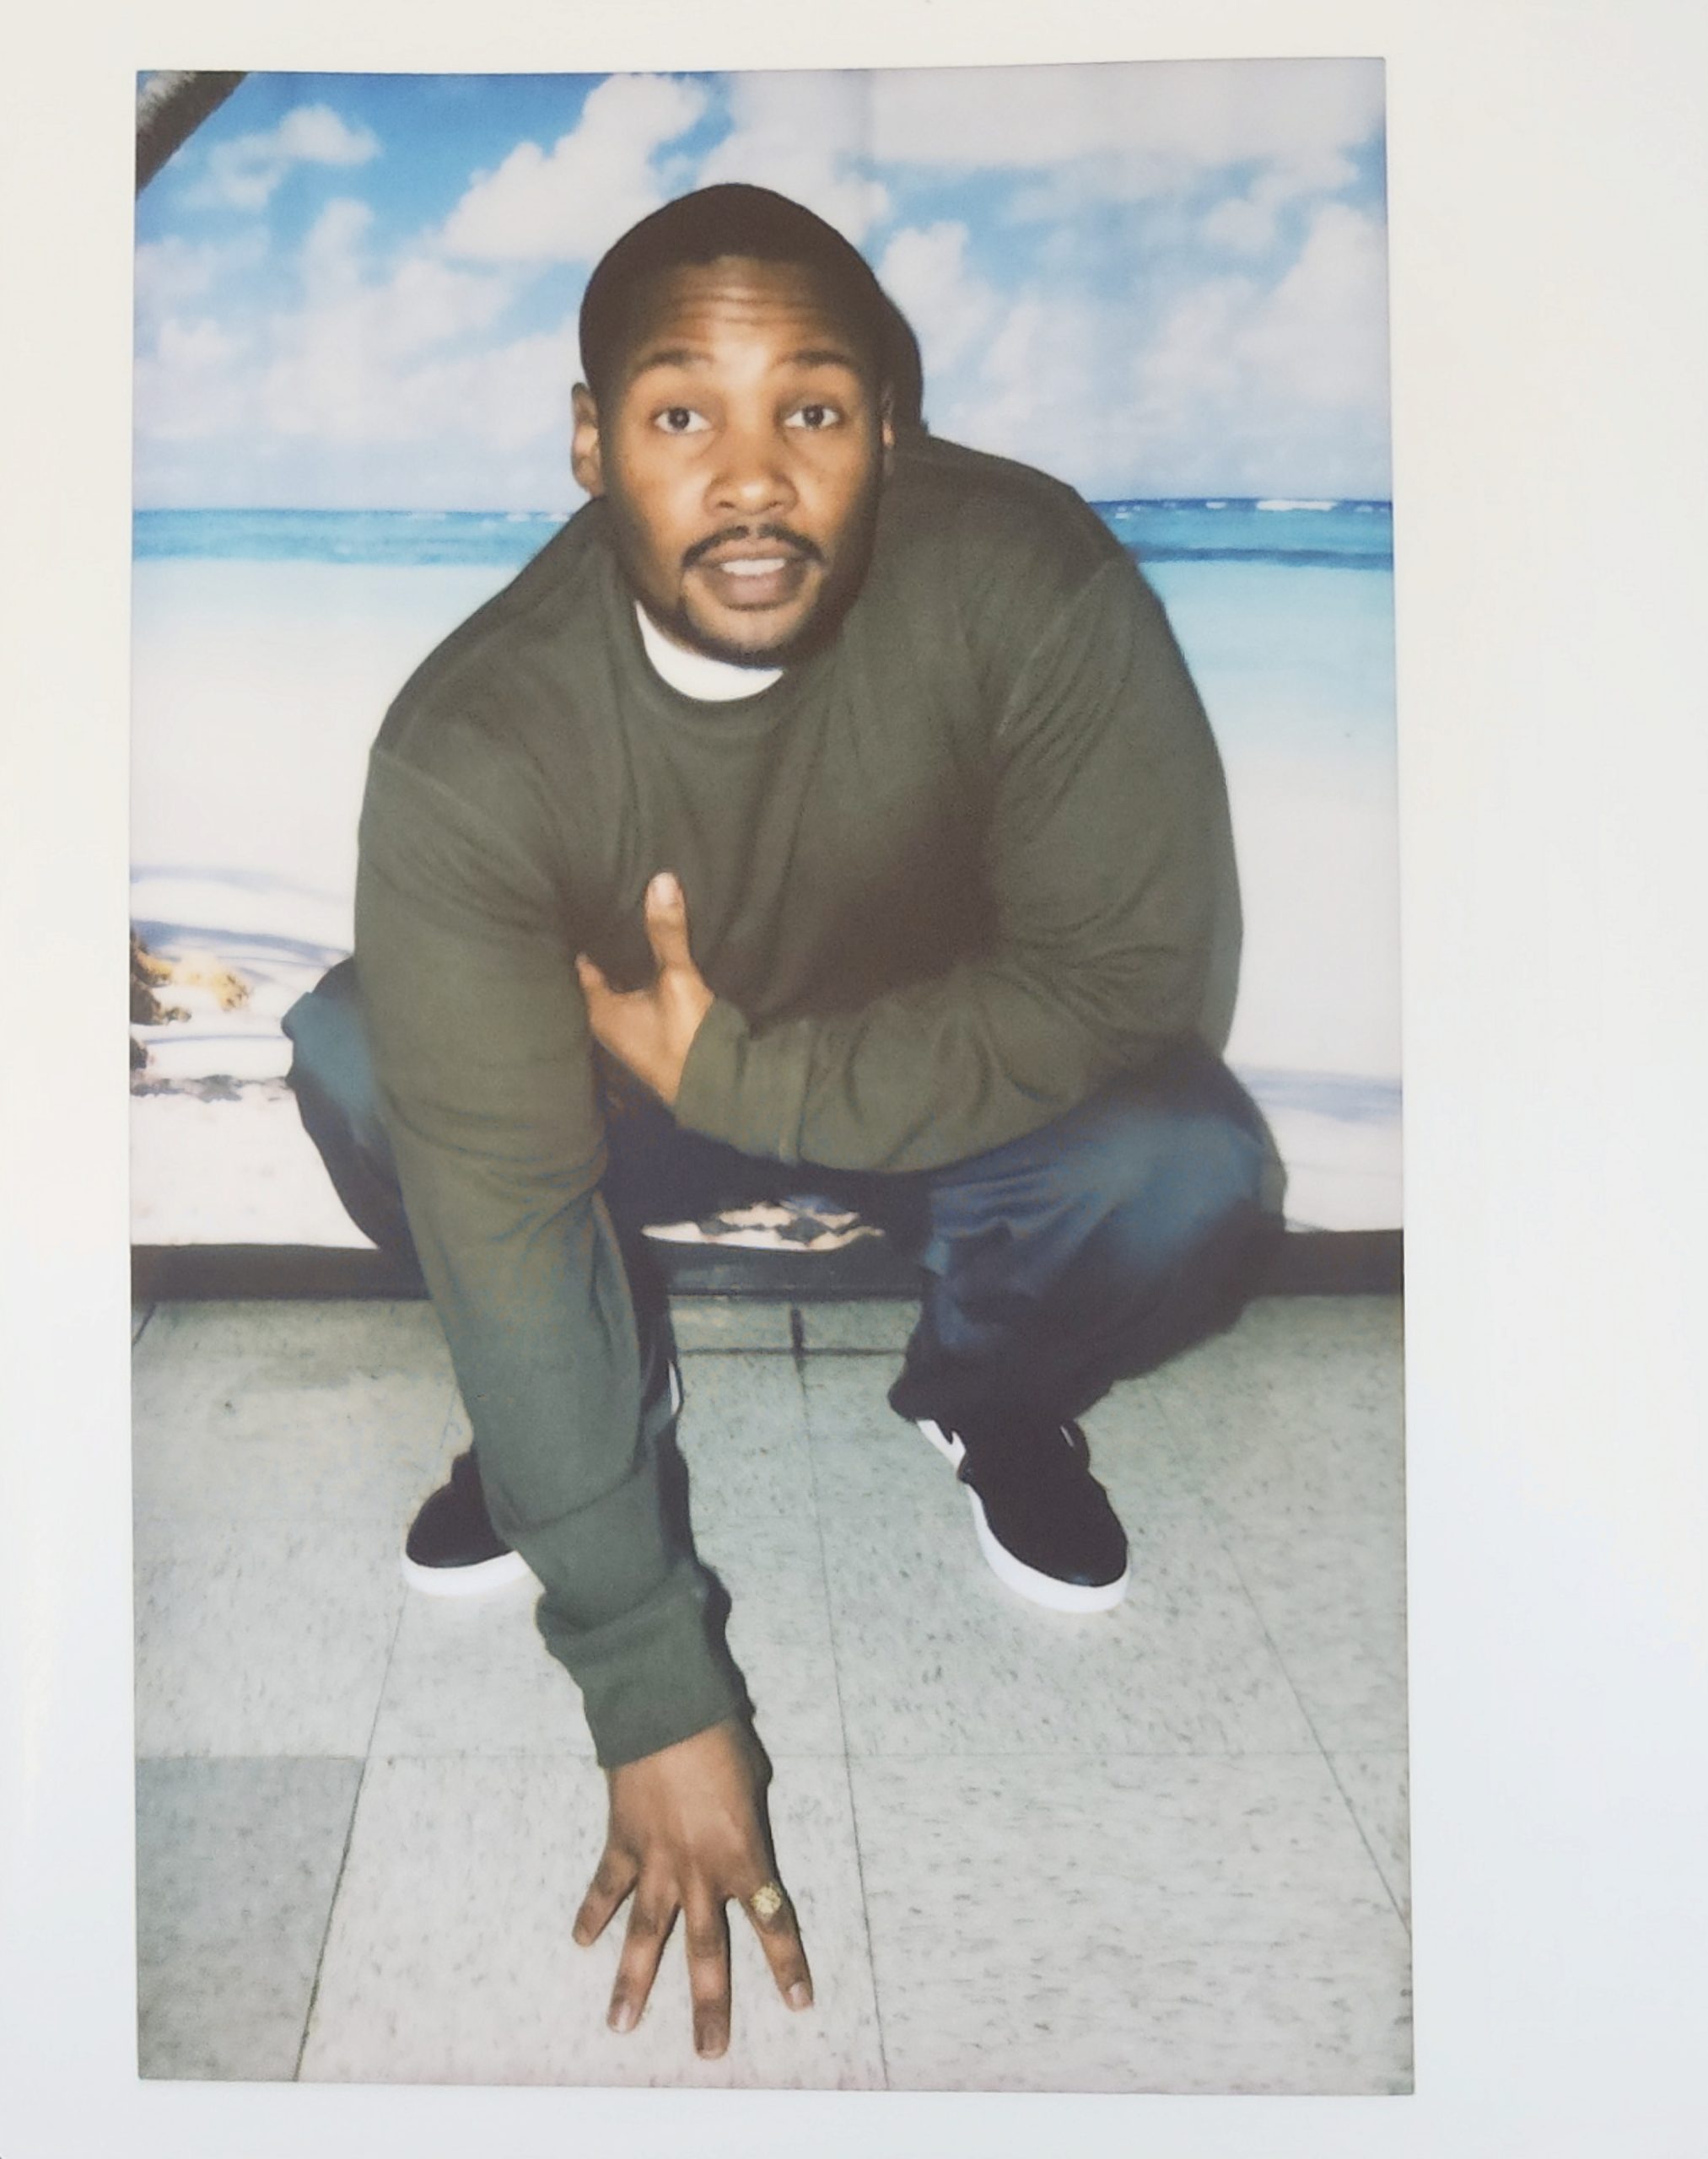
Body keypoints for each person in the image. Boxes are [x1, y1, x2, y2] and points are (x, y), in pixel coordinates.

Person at [282, 182, 1282, 2061]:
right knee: (355, 1053)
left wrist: (744, 1070)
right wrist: (653, 1684)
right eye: (681, 415)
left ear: (885, 427)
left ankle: (982, 1387)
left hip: (943, 1123)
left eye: (807, 411)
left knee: (1192, 1164)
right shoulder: (473, 741)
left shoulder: (1029, 578)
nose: (752, 478)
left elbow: (1126, 983)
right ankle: (580, 1404)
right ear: (588, 443)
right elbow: (496, 1195)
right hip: (616, 1139)